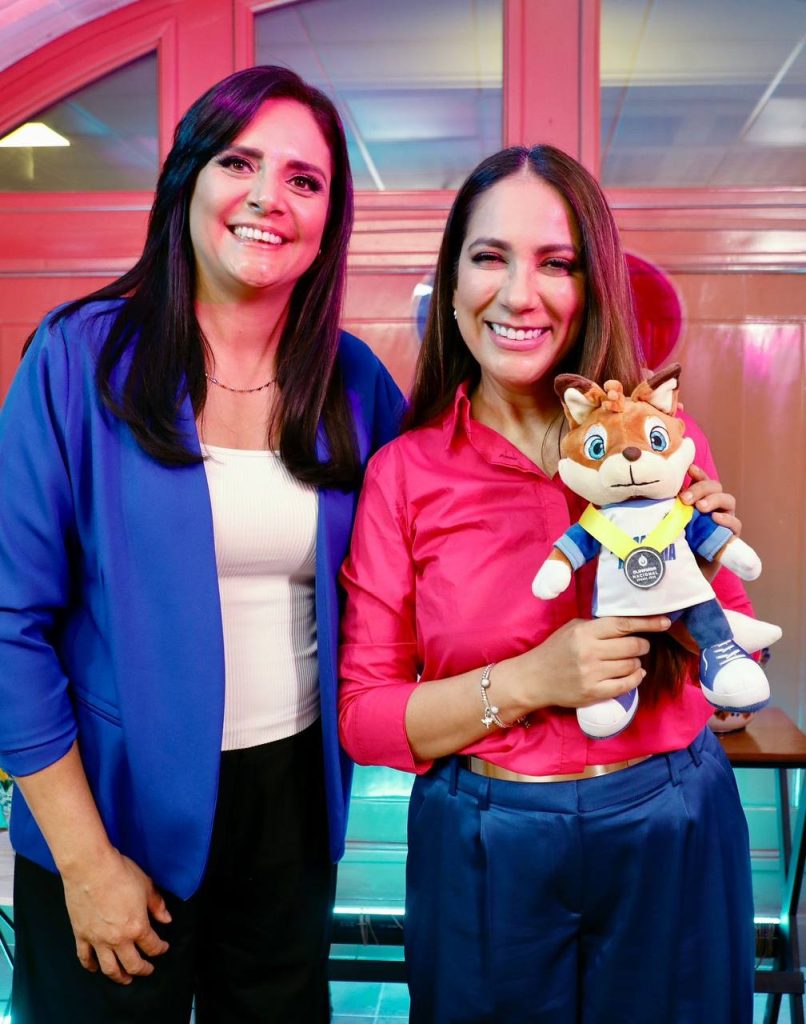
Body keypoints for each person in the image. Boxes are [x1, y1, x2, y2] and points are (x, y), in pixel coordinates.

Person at [0, 65, 404, 1024]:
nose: (268, 197)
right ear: (188, 180)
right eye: (238, 162)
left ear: (330, 218)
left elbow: (448, 533)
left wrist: (659, 523)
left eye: (304, 179)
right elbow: (9, 623)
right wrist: (86, 863)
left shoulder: (354, 383)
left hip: (290, 812)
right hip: (111, 811)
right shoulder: (78, 357)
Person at [338, 145, 755, 1024]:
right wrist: (532, 680)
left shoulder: (660, 444)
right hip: (484, 845)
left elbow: (735, 686)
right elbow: (366, 717)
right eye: (490, 257)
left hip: (671, 822)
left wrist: (706, 588)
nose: (519, 294)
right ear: (452, 283)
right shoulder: (404, 474)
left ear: (592, 284)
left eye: (556, 263)